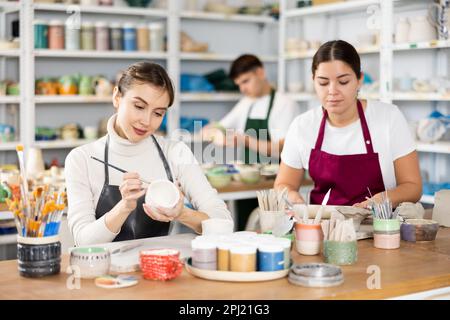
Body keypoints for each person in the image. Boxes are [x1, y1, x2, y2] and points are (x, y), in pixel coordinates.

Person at [65, 61, 232, 246]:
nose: (146, 121)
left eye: (158, 113)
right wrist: (123, 208)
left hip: (161, 268)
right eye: (139, 106)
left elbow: (223, 223)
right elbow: (83, 240)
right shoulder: (82, 159)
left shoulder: (175, 152)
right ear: (117, 97)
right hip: (105, 272)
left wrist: (182, 213)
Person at [275, 40, 422, 208]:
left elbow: (413, 187)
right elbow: (283, 184)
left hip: (378, 225)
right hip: (323, 228)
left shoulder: (389, 118)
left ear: (359, 80)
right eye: (323, 82)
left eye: (343, 82)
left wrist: (378, 201)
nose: (332, 91)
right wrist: (292, 197)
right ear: (313, 80)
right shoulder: (302, 126)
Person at [203, 54, 300, 230]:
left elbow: (280, 149)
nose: (242, 89)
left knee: (273, 230)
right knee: (244, 228)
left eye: (245, 81)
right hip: (248, 179)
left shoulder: (285, 103)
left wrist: (244, 139)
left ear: (260, 73)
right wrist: (216, 134)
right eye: (239, 84)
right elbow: (216, 126)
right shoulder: (247, 103)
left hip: (275, 181)